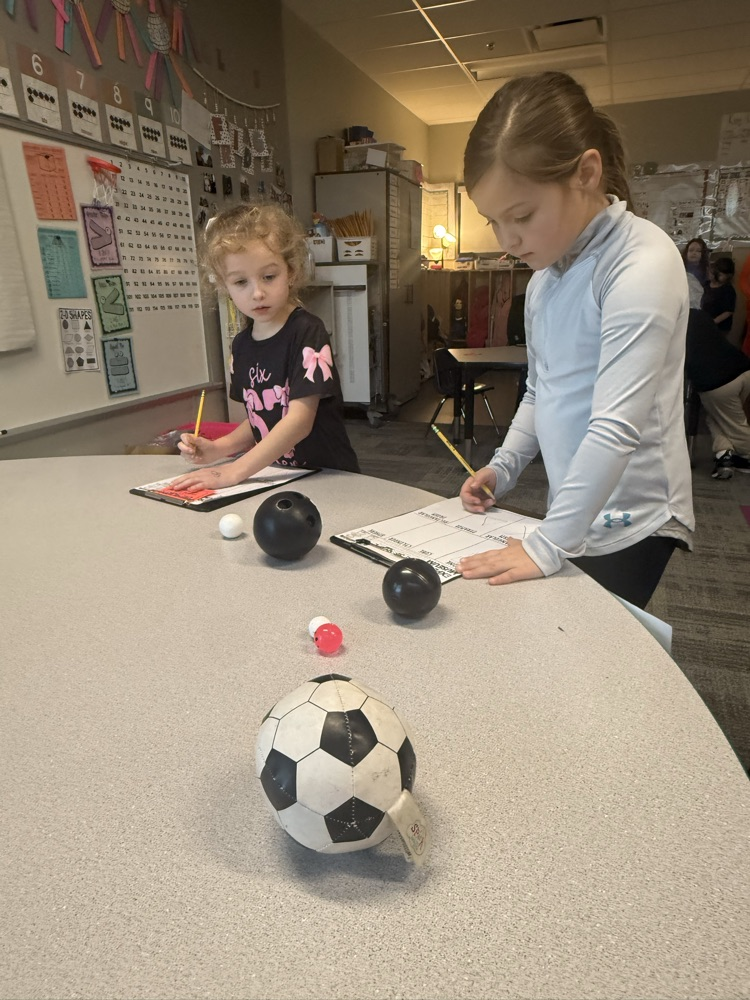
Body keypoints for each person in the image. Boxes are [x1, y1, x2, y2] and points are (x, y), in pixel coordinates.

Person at [456, 71, 694, 610]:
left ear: (586, 173)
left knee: (591, 639)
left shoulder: (641, 262)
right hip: (579, 506)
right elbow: (542, 390)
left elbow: (616, 427)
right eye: (493, 221)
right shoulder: (546, 277)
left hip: (635, 514)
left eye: (522, 216)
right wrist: (503, 467)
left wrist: (547, 545)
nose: (507, 240)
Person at [171, 203, 359, 491]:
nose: (257, 293)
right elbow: (261, 419)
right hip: (278, 477)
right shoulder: (241, 346)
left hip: (328, 478)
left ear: (291, 271)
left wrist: (233, 471)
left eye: (269, 277)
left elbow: (298, 421)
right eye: (240, 282)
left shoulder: (307, 331)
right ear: (224, 286)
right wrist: (218, 449)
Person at [685, 308, 750, 479]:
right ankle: (724, 455)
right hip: (743, 369)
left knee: (734, 425)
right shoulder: (697, 314)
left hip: (717, 383)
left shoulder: (675, 323)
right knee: (716, 417)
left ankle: (747, 457)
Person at [700, 257, 736, 334]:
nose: (711, 275)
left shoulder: (728, 290)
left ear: (729, 276)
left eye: (721, 275)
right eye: (711, 273)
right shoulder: (706, 284)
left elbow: (728, 311)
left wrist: (714, 321)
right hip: (705, 321)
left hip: (720, 327)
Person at [681, 237, 710, 308]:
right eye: (691, 250)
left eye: (698, 251)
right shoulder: (680, 268)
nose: (694, 253)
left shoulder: (708, 271)